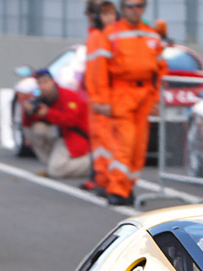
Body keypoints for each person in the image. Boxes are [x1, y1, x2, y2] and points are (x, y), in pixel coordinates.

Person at [104, 0, 166, 205]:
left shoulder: (151, 34)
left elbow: (160, 69)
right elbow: (99, 70)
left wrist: (156, 98)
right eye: (130, 6)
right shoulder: (112, 34)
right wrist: (102, 98)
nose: (134, 10)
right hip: (122, 92)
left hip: (145, 94)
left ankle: (127, 187)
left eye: (139, 6)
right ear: (123, 9)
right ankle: (116, 188)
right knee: (124, 145)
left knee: (139, 147)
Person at [23, 69, 92, 178]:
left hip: (75, 137)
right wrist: (27, 112)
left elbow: (71, 120)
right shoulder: (41, 99)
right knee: (36, 130)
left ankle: (92, 164)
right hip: (61, 136)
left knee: (57, 171)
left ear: (53, 81)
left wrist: (48, 113)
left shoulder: (68, 96)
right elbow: (27, 125)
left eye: (45, 82)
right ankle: (53, 165)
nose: (43, 86)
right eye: (39, 83)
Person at [83, 1, 118, 197]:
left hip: (109, 99)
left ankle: (109, 183)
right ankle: (103, 182)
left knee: (110, 146)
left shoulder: (110, 37)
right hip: (99, 99)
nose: (109, 18)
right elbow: (93, 73)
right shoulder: (97, 37)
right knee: (102, 145)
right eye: (104, 14)